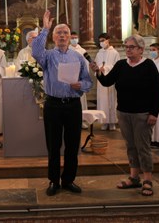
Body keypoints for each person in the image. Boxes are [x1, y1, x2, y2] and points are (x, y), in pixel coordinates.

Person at [90, 34, 159, 196]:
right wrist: (98, 72)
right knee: (130, 146)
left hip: (142, 114)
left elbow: (157, 91)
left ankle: (148, 180)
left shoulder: (148, 65)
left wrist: (154, 113)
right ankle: (134, 177)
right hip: (123, 112)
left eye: (131, 47)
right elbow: (107, 82)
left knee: (143, 147)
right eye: (126, 47)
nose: (127, 50)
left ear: (140, 49)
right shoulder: (121, 65)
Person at [32, 11, 93, 196]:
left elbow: (88, 81)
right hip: (53, 105)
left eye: (65, 33)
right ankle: (53, 181)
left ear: (70, 37)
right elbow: (35, 51)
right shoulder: (48, 56)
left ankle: (68, 180)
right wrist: (45, 29)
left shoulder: (79, 57)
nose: (62, 36)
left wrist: (80, 84)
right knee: (53, 145)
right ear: (53, 37)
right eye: (58, 33)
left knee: (73, 145)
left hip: (73, 105)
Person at [95, 33, 120, 131]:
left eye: (103, 40)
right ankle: (104, 122)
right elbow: (96, 66)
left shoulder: (115, 53)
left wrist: (105, 68)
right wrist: (97, 70)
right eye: (100, 41)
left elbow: (117, 67)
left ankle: (112, 122)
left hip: (111, 80)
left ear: (108, 40)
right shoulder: (99, 53)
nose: (101, 42)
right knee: (103, 101)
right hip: (101, 81)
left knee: (112, 100)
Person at [69, 31, 90, 129]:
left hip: (80, 79)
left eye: (75, 37)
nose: (74, 39)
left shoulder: (82, 50)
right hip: (69, 79)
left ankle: (82, 120)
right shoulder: (67, 49)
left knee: (81, 100)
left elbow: (86, 64)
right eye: (72, 38)